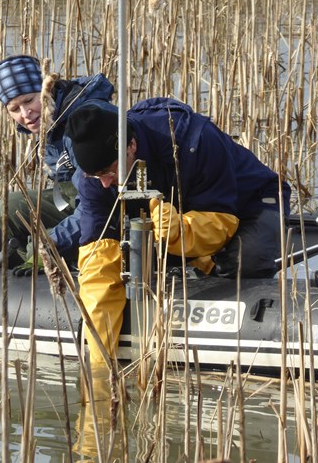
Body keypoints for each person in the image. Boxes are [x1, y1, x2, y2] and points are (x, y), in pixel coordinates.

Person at [64, 97, 291, 364]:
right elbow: (98, 264)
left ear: (131, 146)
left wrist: (178, 233)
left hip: (246, 202)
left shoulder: (196, 140)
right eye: (94, 176)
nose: (103, 184)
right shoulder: (94, 180)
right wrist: (101, 365)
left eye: (108, 172)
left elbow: (221, 224)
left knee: (244, 259)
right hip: (176, 215)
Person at [0, 55, 115, 273]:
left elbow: (96, 204)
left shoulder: (83, 124)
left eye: (29, 100)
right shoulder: (50, 124)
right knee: (8, 206)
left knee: (39, 244)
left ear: (48, 88)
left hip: (107, 208)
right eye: (14, 108)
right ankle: (36, 260)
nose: (25, 114)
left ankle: (62, 263)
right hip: (74, 200)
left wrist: (51, 241)